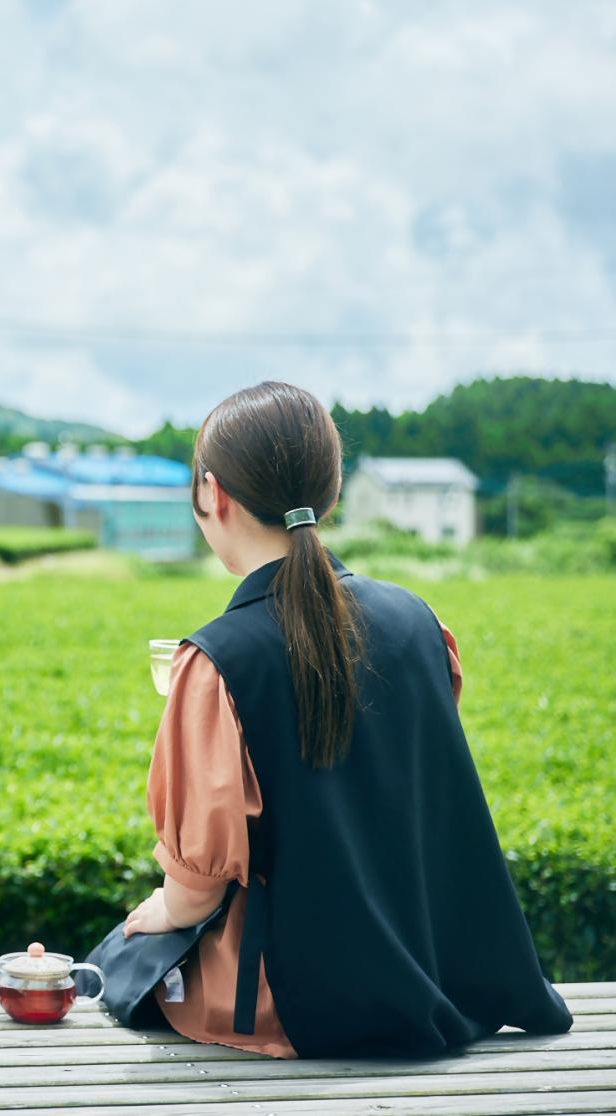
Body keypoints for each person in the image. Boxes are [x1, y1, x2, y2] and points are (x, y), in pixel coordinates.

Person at [121, 381, 573, 1058]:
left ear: (211, 494)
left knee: (122, 957)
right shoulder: (417, 621)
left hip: (290, 1003)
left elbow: (192, 895)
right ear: (329, 494)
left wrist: (151, 916)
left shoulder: (216, 661)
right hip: (433, 967)